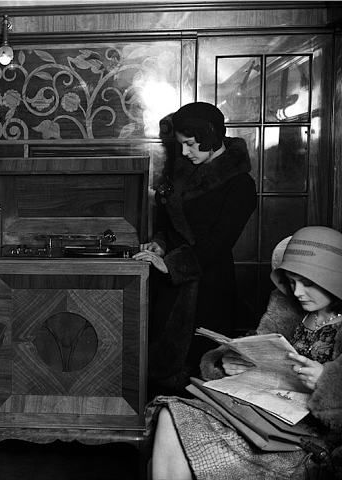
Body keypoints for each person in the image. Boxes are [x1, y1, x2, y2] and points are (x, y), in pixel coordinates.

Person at [148, 226, 342, 480]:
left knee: (180, 444)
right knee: (170, 415)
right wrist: (229, 362)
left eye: (307, 283)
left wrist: (325, 380)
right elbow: (259, 344)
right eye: (292, 282)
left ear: (334, 278)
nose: (297, 292)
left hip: (303, 437)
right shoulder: (290, 310)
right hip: (259, 414)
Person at [132, 101, 257, 394]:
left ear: (210, 136)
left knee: (202, 370)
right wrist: (160, 245)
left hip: (209, 285)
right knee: (161, 365)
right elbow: (170, 226)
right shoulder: (183, 172)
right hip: (170, 282)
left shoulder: (241, 185)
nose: (185, 152)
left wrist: (172, 265)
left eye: (190, 144)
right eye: (181, 145)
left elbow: (219, 242)